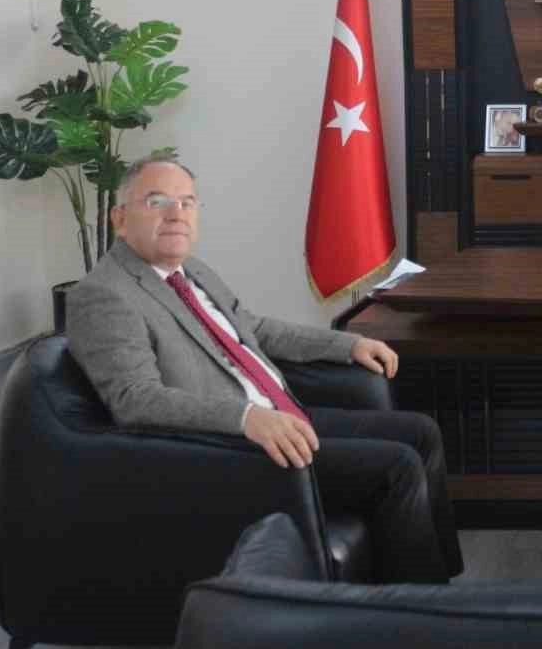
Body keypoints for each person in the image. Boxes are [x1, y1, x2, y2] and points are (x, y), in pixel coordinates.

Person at [66, 153, 463, 583]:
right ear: (120, 219)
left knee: (421, 432)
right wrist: (246, 418)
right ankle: (420, 608)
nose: (176, 213)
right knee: (397, 466)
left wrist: (347, 344)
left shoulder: (190, 270)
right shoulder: (104, 295)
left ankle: (446, 584)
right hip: (233, 448)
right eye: (157, 201)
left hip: (281, 416)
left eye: (187, 202)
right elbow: (136, 399)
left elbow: (252, 329)